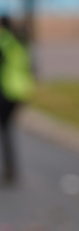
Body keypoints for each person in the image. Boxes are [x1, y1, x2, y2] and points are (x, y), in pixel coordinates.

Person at [0, 15, 34, 186]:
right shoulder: (20, 42)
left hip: (6, 90)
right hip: (21, 91)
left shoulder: (4, 42)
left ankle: (10, 169)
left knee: (5, 129)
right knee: (7, 129)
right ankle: (11, 168)